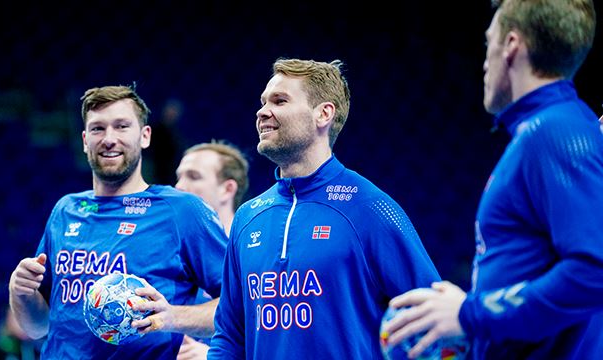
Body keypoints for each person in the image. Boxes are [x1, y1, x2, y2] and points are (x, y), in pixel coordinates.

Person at [384, 1, 603, 359]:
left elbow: (595, 270)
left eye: (490, 44)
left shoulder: (553, 132)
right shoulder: (548, 131)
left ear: (512, 45)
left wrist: (470, 314)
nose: (485, 61)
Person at [207, 58, 440, 359]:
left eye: (279, 101)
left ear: (323, 114)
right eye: (263, 102)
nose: (262, 112)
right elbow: (229, 336)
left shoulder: (371, 209)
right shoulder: (248, 217)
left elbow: (433, 322)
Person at [8, 85, 228, 359]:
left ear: (145, 136)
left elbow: (237, 305)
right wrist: (21, 293)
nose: (109, 139)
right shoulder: (65, 210)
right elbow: (39, 326)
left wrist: (173, 317)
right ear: (85, 140)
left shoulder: (181, 210)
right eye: (98, 129)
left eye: (122, 126)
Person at [174, 140, 250, 359]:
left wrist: (212, 355)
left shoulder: (252, 251)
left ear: (227, 189)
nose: (179, 186)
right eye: (179, 176)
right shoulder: (174, 252)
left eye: (194, 177)